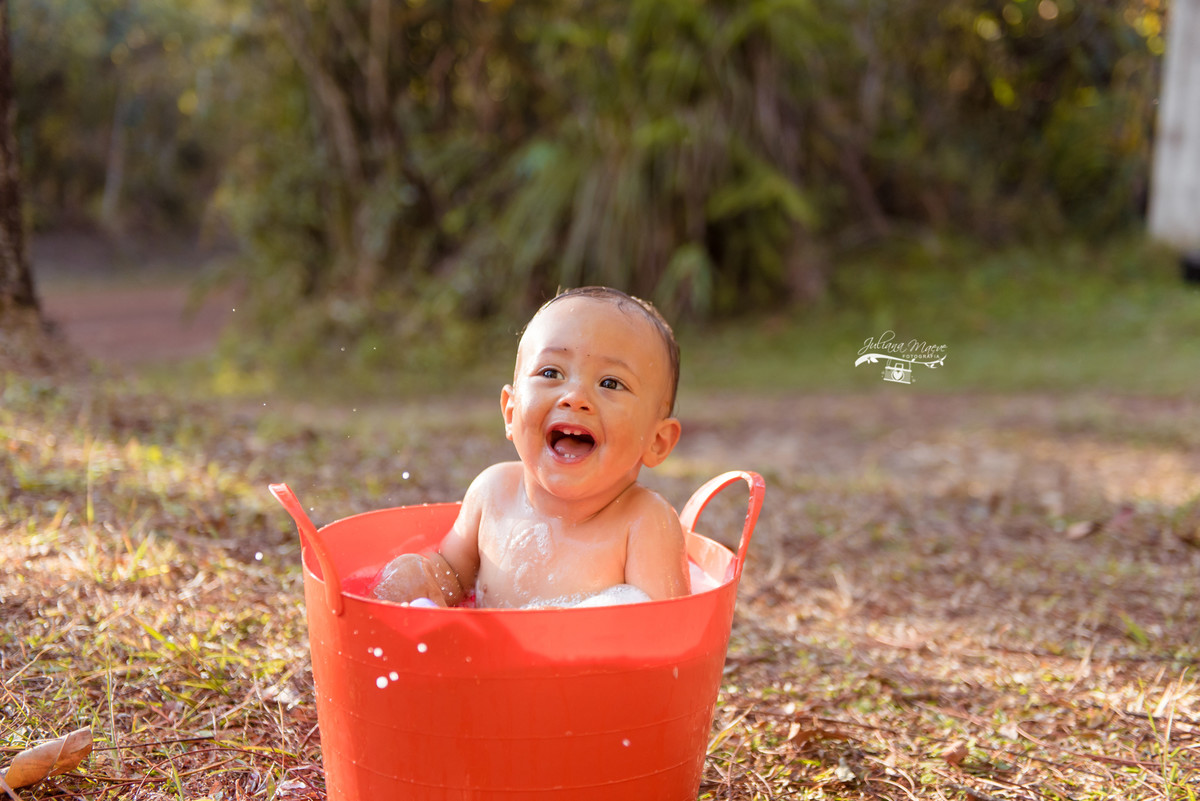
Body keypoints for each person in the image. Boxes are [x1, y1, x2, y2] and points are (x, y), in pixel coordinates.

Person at [372, 286, 689, 608]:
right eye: (551, 372)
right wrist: (422, 578)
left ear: (657, 441)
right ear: (510, 412)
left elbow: (667, 628)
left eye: (610, 383)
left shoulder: (646, 523)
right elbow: (452, 576)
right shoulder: (492, 493)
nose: (575, 397)